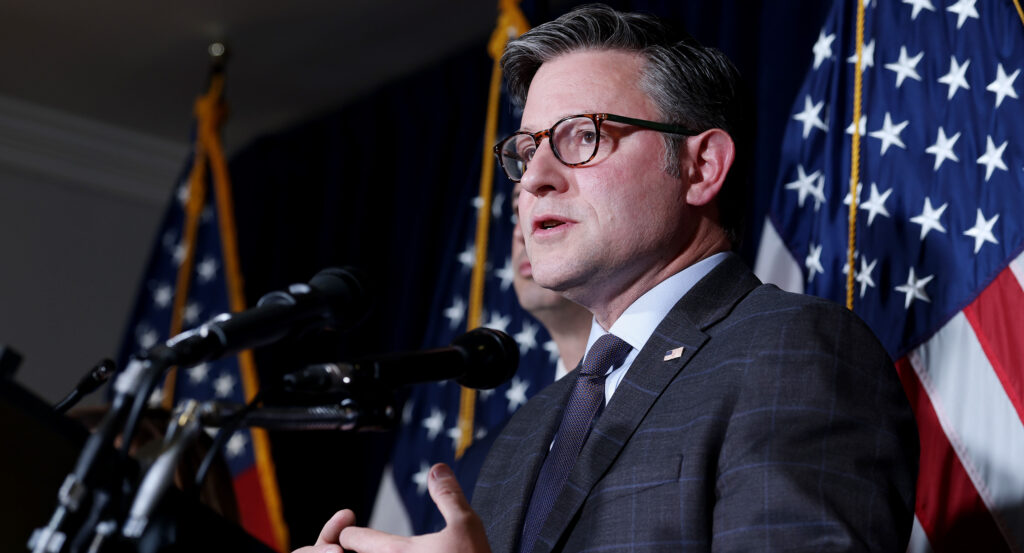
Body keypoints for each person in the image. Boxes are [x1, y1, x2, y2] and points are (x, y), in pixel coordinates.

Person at [297, 5, 918, 552]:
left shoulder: (789, 351)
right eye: (525, 148)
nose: (534, 177)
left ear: (701, 167)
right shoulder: (518, 438)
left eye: (582, 136)